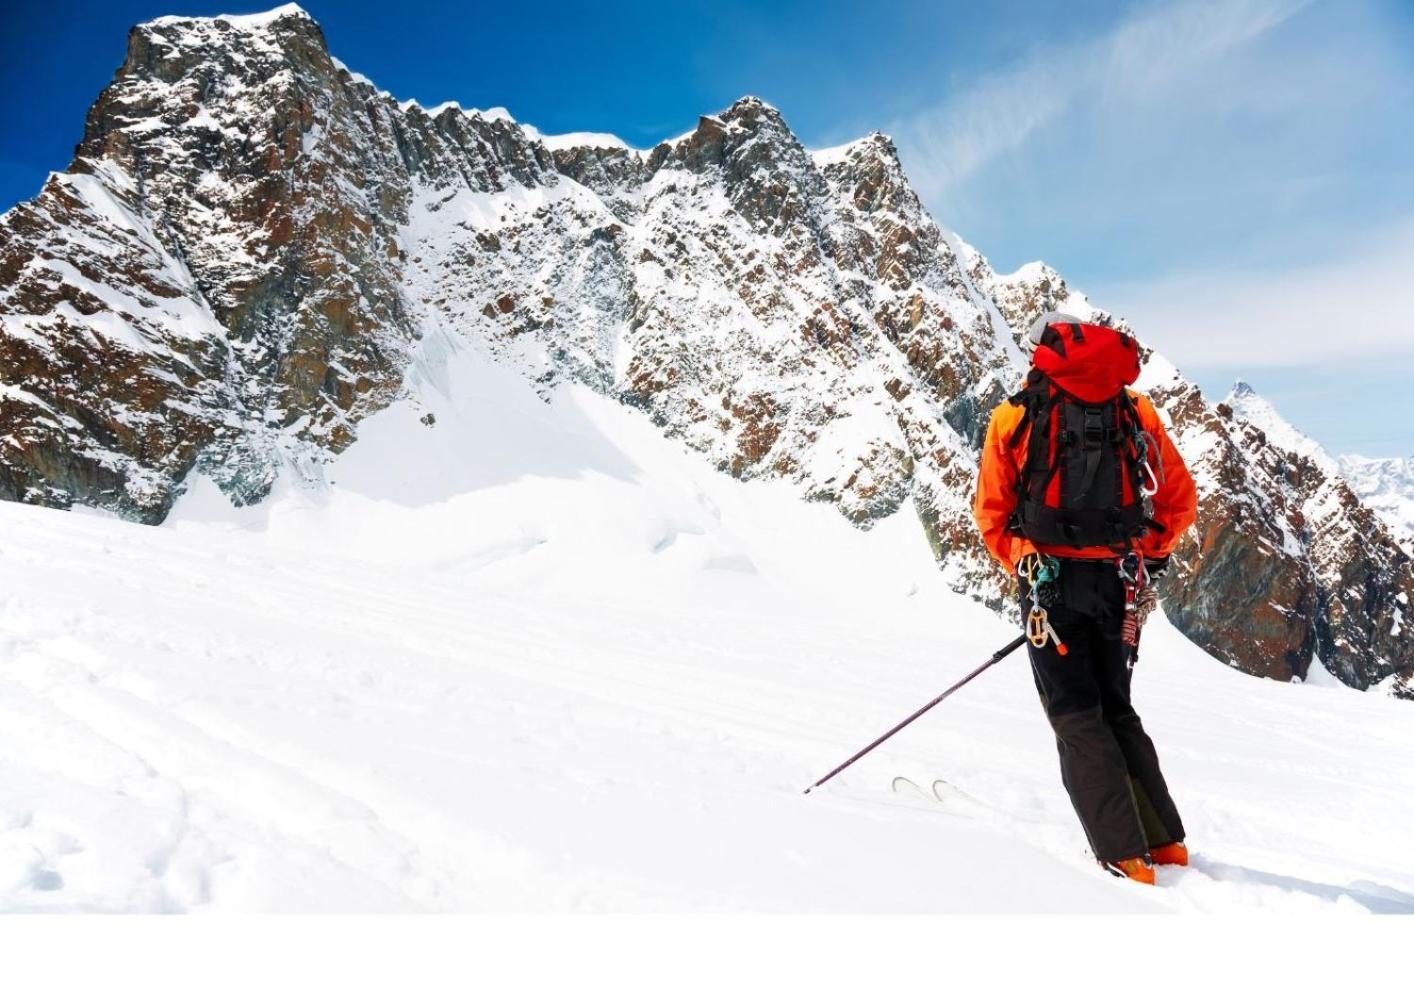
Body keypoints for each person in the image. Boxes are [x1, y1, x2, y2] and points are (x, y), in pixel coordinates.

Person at [973, 312, 1198, 885]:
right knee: (1115, 706)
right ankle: (1165, 843)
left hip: (1049, 582)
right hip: (1119, 584)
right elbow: (1177, 497)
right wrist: (1149, 549)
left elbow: (992, 513)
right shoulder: (1135, 410)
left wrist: (1023, 557)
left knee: (1075, 713)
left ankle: (1124, 856)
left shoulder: (1014, 415)